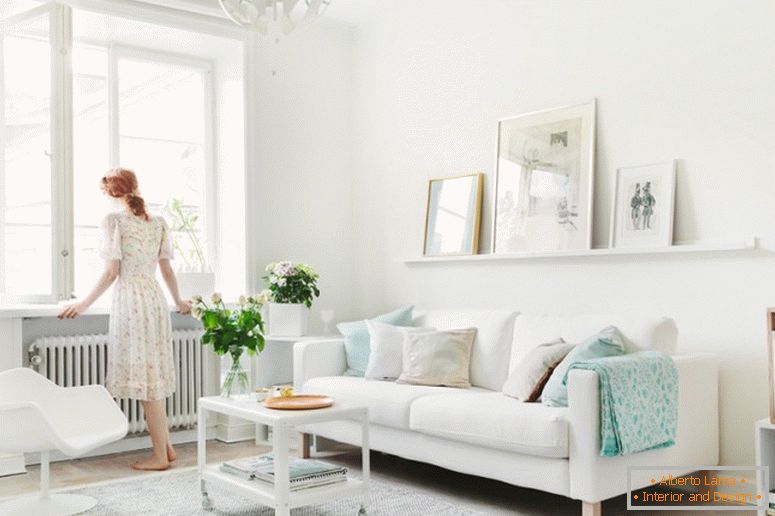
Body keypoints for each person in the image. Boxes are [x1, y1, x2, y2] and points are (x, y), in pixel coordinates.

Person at [58, 168, 192, 471]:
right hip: (154, 300)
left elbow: (111, 273)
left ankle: (159, 456)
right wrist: (178, 301)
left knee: (146, 380)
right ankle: (167, 447)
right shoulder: (157, 222)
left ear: (110, 193)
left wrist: (83, 304)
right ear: (135, 187)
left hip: (132, 301)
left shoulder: (114, 221)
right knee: (152, 374)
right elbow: (167, 271)